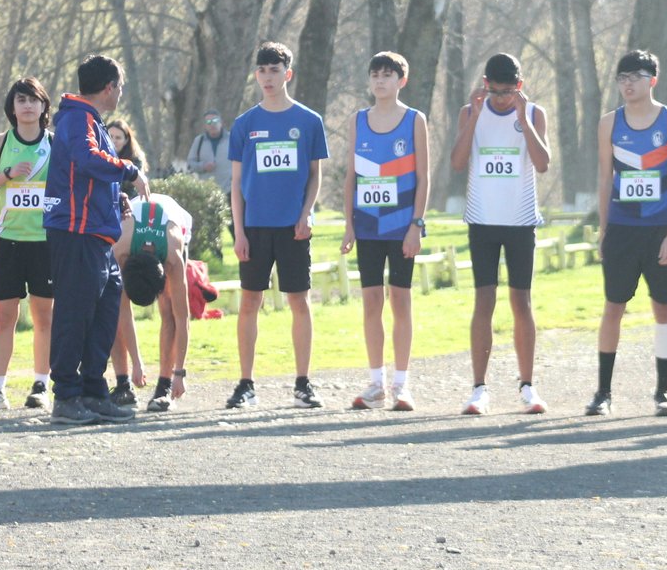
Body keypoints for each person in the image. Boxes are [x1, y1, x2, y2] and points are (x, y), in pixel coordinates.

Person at [42, 54, 148, 426]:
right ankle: (67, 396)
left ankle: (92, 389)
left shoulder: (89, 120)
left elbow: (83, 171)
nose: (120, 94)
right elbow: (87, 160)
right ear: (109, 87)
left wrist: (113, 195)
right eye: (120, 87)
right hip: (75, 231)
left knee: (104, 312)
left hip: (97, 233)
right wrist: (128, 171)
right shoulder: (76, 117)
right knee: (74, 314)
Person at [225, 41, 329, 409]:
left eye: (275, 71)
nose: (268, 78)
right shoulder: (244, 125)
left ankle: (302, 383)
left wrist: (306, 214)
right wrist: (239, 232)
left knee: (298, 300)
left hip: (293, 227)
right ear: (256, 75)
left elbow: (316, 175)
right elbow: (236, 185)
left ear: (288, 74)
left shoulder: (309, 121)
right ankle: (245, 384)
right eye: (262, 71)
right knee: (250, 301)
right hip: (254, 227)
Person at [586, 50, 667, 417]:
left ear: (652, 80)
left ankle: (662, 393)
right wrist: (603, 229)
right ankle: (603, 393)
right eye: (622, 78)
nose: (628, 84)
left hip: (660, 228)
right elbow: (603, 179)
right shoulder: (609, 123)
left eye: (635, 77)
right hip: (622, 229)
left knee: (663, 306)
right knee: (613, 306)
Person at [451, 52, 551, 416]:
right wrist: (476, 116)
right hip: (482, 220)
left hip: (521, 221)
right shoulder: (471, 111)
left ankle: (527, 385)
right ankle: (479, 388)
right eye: (495, 92)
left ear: (519, 87)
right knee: (484, 301)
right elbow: (457, 162)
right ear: (485, 85)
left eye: (508, 93)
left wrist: (523, 118)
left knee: (521, 302)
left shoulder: (534, 113)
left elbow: (543, 164)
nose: (502, 99)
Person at [339, 51, 429, 412]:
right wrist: (349, 225)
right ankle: (375, 383)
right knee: (372, 302)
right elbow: (351, 177)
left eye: (388, 75)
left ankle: (402, 385)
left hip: (401, 226)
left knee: (401, 301)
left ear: (401, 81)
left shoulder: (414, 120)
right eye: (375, 74)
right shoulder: (358, 120)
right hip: (368, 227)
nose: (380, 81)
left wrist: (416, 225)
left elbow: (424, 177)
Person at [0, 77, 56, 414]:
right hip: (7, 240)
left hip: (44, 241)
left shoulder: (54, 144)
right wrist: (7, 174)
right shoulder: (1, 141)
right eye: (21, 100)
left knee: (44, 317)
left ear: (44, 106)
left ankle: (40, 385)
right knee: (5, 317)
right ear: (13, 107)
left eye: (34, 100)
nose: (28, 105)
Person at [110, 190, 193, 413]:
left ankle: (164, 386)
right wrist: (137, 362)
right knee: (111, 308)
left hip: (173, 219)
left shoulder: (173, 256)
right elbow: (123, 312)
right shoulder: (119, 250)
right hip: (135, 220)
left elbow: (183, 318)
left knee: (169, 311)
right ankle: (123, 384)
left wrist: (180, 373)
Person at [104, 117, 148, 405]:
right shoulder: (99, 162)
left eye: (119, 137)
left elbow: (141, 203)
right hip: (107, 240)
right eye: (111, 137)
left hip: (132, 238)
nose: (115, 141)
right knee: (115, 308)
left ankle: (139, 366)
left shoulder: (134, 167)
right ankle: (122, 376)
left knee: (125, 304)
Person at [186, 110, 233, 198]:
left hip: (229, 191)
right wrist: (203, 166)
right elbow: (190, 164)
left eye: (215, 121)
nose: (212, 124)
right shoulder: (199, 141)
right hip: (206, 193)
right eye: (208, 122)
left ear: (221, 122)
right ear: (205, 126)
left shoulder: (232, 139)